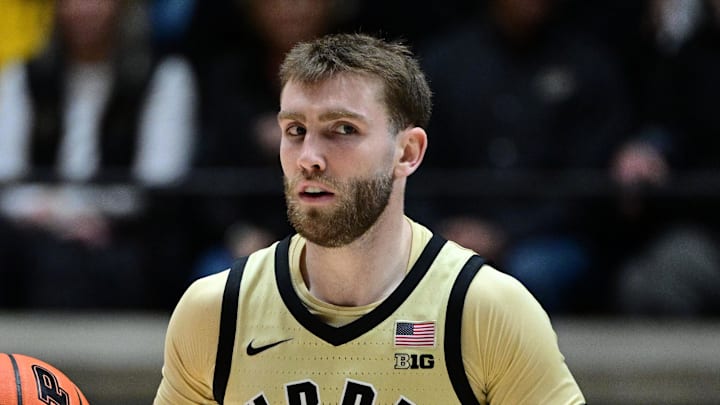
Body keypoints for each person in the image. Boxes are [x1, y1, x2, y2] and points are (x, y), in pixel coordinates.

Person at [154, 33, 585, 404]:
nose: (309, 159)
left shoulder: (488, 311)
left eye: (342, 130)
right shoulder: (215, 312)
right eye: (295, 131)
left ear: (408, 152)